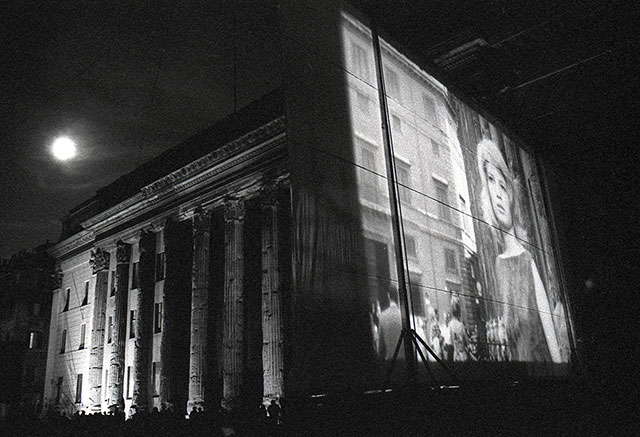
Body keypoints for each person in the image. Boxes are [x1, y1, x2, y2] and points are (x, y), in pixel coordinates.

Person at [476, 138, 561, 363]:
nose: (498, 194)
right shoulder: (498, 264)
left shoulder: (526, 259)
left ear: (511, 195)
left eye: (502, 185)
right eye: (490, 181)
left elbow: (552, 340)